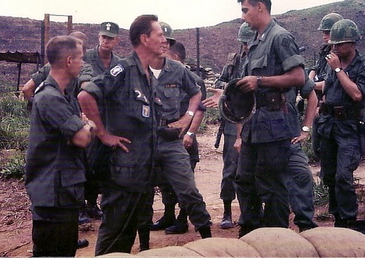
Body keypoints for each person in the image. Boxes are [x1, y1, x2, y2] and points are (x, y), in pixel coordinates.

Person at [78, 15, 166, 255]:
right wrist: (104, 134)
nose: (163, 39)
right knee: (113, 235)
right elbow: (86, 96)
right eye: (159, 35)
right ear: (144, 39)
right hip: (122, 173)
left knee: (126, 238)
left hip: (142, 173)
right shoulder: (124, 69)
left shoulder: (147, 74)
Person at [234, 0, 306, 237]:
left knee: (271, 184)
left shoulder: (280, 37)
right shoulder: (255, 41)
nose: (243, 16)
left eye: (245, 10)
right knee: (244, 179)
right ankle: (251, 234)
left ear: (260, 7)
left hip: (276, 124)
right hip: (255, 123)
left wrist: (260, 81)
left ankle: (276, 239)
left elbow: (298, 77)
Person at [139, 24, 211, 251]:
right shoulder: (135, 68)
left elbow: (197, 93)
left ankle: (209, 242)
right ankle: (144, 248)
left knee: (188, 190)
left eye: (168, 42)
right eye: (160, 40)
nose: (164, 45)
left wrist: (187, 119)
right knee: (143, 195)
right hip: (144, 141)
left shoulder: (178, 70)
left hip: (171, 140)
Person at [25, 36, 97, 257]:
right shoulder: (50, 98)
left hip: (62, 191)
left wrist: (84, 127)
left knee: (64, 250)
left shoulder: (62, 95)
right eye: (80, 59)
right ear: (68, 61)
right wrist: (89, 125)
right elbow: (82, 139)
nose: (82, 64)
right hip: (54, 194)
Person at [317, 19, 365, 227]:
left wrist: (339, 70)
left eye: (339, 44)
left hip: (349, 126)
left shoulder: (364, 66)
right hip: (329, 124)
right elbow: (327, 87)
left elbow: (357, 94)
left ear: (352, 44)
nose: (335, 48)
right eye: (333, 44)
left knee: (343, 175)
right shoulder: (331, 61)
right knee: (330, 176)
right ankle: (338, 217)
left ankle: (349, 219)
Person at [203, 22, 253, 229]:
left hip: (255, 120)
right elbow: (219, 83)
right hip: (234, 121)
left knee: (251, 169)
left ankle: (249, 212)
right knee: (231, 168)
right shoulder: (234, 63)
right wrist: (228, 89)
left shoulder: (262, 61)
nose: (248, 46)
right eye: (246, 42)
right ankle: (226, 211)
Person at [82, 22, 122, 221]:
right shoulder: (86, 57)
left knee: (102, 163)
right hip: (86, 118)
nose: (106, 41)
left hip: (108, 120)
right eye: (103, 37)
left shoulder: (119, 63)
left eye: (110, 38)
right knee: (85, 161)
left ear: (117, 40)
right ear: (98, 37)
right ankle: (80, 207)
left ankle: (92, 203)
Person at [285, 70, 319, 232]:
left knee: (302, 174)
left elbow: (312, 97)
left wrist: (305, 129)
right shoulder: (253, 67)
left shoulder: (294, 70)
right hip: (260, 136)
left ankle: (305, 225)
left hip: (289, 135)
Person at [308, 13, 343, 158]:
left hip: (330, 106)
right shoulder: (325, 51)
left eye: (327, 32)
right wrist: (309, 81)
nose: (324, 36)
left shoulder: (340, 55)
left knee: (328, 151)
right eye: (324, 32)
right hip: (320, 104)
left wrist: (310, 86)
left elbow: (330, 83)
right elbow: (315, 68)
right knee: (318, 148)